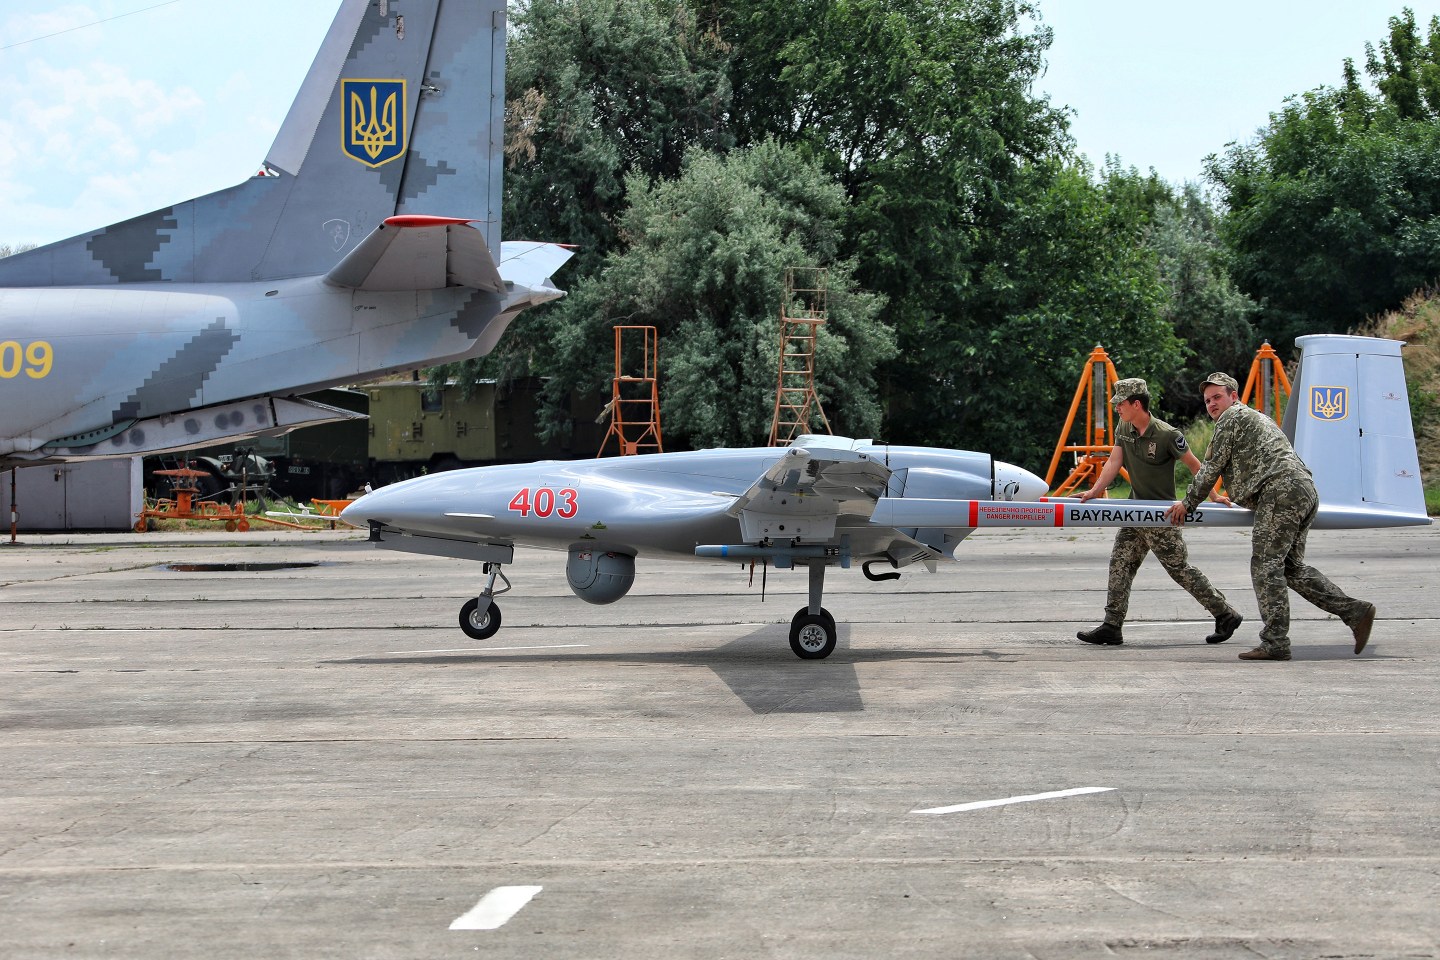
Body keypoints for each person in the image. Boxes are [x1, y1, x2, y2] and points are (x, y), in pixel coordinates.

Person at [1164, 372, 1377, 661]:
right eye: (1208, 400)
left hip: (1280, 492)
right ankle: (1355, 611)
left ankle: (1275, 642)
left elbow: (1211, 467)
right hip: (1301, 490)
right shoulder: (1254, 418)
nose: (1212, 404)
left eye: (1217, 397)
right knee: (1291, 568)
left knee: (1265, 565)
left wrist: (1186, 504)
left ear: (1233, 396)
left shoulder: (1232, 417)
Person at [1076, 378, 1243, 647]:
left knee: (1179, 570)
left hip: (1161, 517)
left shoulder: (1168, 434)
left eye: (1121, 404)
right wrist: (1094, 492)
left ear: (1136, 404)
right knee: (1120, 564)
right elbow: (1114, 461)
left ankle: (1225, 614)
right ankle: (1111, 626)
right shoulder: (1124, 427)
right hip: (1134, 513)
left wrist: (1213, 495)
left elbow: (1195, 465)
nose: (1117, 408)